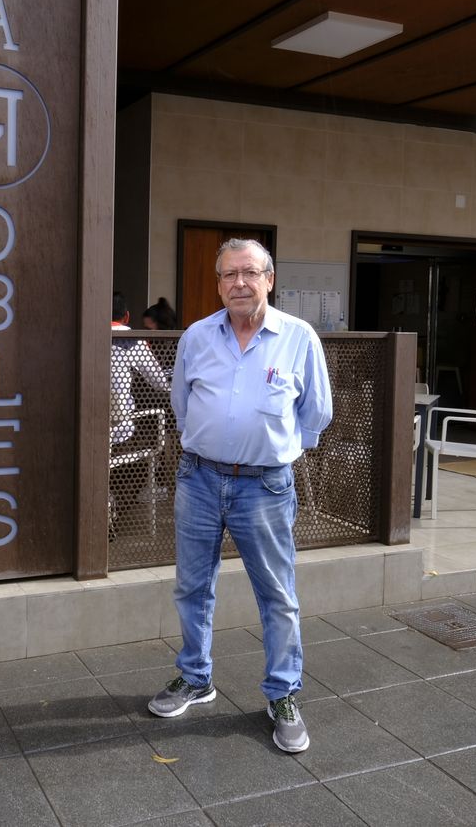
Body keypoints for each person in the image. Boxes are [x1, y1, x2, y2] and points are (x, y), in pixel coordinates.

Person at [149, 238, 332, 754]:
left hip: (266, 486)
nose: (239, 284)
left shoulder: (298, 338)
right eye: (228, 275)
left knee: (277, 595)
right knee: (192, 587)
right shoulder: (196, 337)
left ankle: (283, 694)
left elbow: (316, 413)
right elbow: (183, 406)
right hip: (200, 479)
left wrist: (278, 449)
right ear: (219, 283)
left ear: (269, 279)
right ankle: (195, 677)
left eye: (249, 273)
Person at [110, 292, 170, 446]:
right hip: (119, 428)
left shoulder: (88, 337)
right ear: (127, 316)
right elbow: (160, 383)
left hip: (86, 424)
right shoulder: (133, 341)